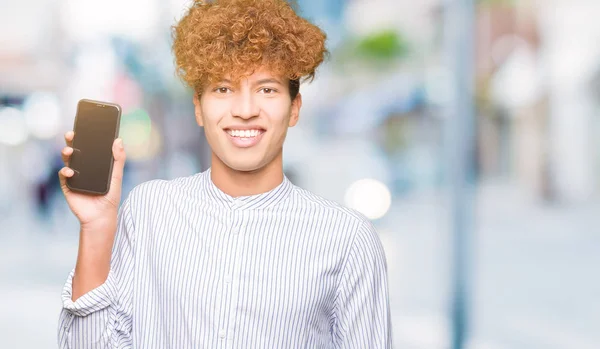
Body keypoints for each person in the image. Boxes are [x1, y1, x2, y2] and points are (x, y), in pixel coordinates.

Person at [57, 0, 393, 347]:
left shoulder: (349, 240)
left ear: (294, 108)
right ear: (198, 108)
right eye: (223, 89)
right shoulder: (148, 212)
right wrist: (96, 229)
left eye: (266, 89)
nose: (245, 110)